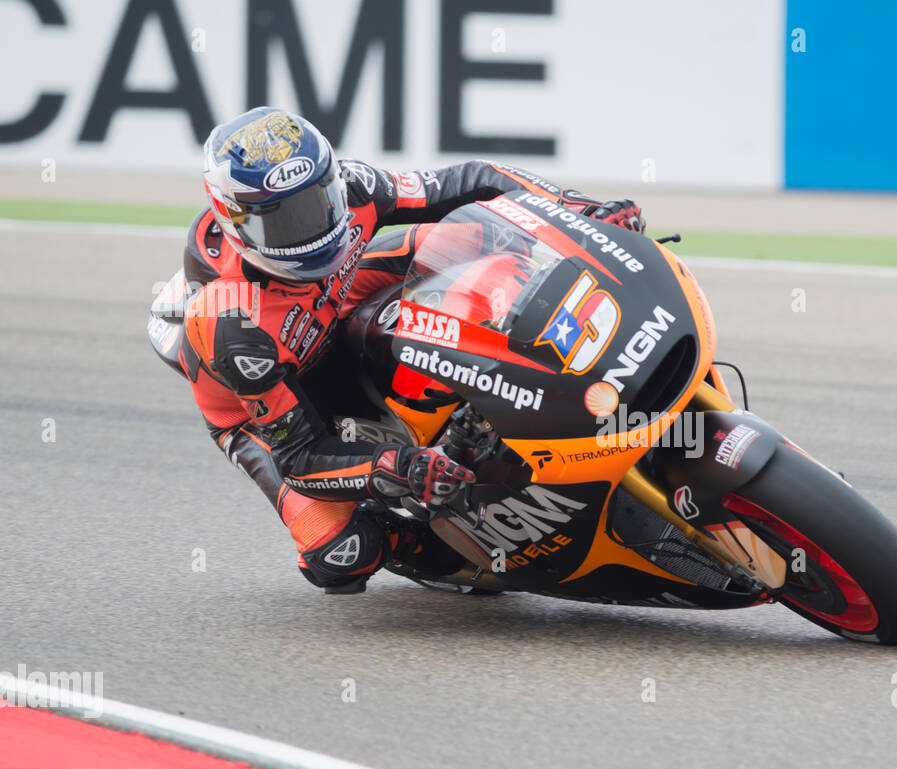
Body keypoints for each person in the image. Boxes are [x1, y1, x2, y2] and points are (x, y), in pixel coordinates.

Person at [176, 106, 644, 592]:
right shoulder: (236, 328)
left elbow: (474, 181)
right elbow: (299, 456)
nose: (313, 227)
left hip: (340, 292)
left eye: (318, 201)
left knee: (489, 236)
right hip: (265, 406)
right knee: (340, 551)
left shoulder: (354, 186)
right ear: (237, 224)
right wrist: (398, 469)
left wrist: (579, 212)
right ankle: (421, 542)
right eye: (286, 221)